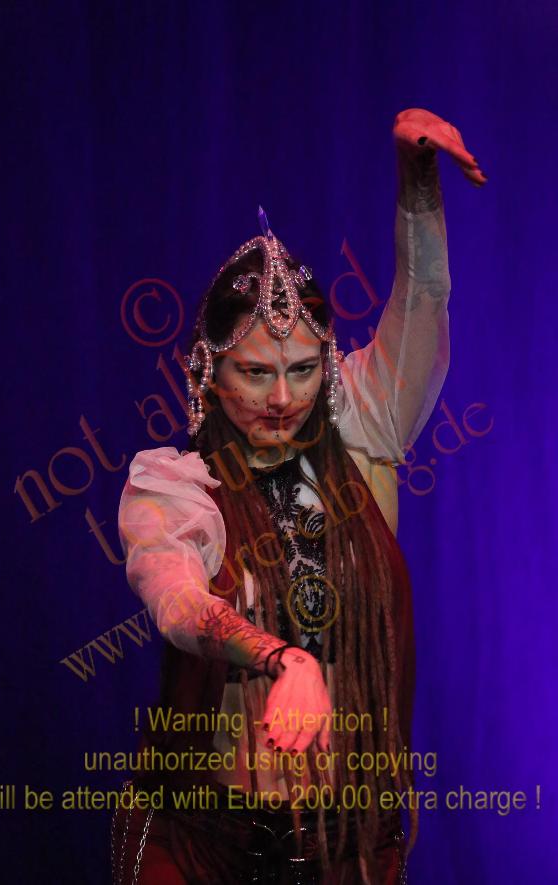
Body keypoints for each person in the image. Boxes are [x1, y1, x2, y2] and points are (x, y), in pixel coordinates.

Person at [111, 108, 486, 885]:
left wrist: (418, 183)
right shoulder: (175, 484)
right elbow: (176, 601)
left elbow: (424, 300)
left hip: (347, 848)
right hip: (208, 848)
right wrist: (281, 658)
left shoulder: (364, 428)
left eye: (304, 369)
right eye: (255, 372)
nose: (283, 397)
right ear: (209, 373)